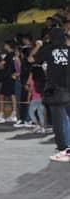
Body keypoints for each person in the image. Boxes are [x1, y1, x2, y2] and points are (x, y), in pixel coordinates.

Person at [29, 26, 70, 162]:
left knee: (58, 121)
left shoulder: (49, 50)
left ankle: (63, 149)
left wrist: (38, 46)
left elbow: (31, 59)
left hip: (56, 90)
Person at [25, 66, 47, 133]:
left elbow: (30, 90)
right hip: (42, 99)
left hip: (35, 99)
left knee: (31, 112)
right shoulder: (44, 79)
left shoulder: (32, 80)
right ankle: (42, 127)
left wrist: (28, 99)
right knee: (40, 113)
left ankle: (38, 125)